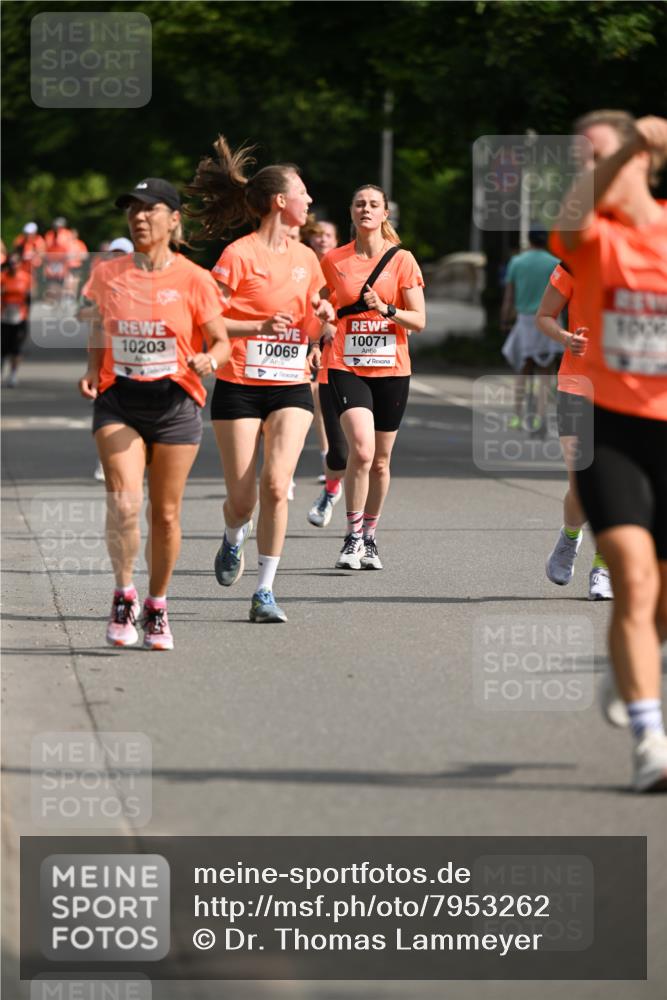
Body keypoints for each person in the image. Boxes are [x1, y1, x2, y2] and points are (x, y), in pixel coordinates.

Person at [552, 111, 667, 792]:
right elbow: (568, 221)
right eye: (581, 160)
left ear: (643, 163)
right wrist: (613, 149)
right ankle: (650, 740)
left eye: (598, 157)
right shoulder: (589, 238)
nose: (587, 170)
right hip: (609, 427)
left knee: (658, 597)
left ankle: (632, 667)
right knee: (630, 574)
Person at [78, 177, 231, 650]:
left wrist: (211, 359)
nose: (139, 217)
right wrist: (91, 370)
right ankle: (123, 594)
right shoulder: (108, 274)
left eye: (149, 209)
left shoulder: (194, 279)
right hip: (119, 399)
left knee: (165, 515)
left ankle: (157, 605)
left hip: (175, 405)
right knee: (124, 502)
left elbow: (222, 340)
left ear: (173, 219)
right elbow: (100, 326)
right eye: (132, 210)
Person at [186, 136, 334, 623]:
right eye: (303, 192)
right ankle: (233, 536)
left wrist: (323, 322)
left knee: (277, 486)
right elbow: (206, 320)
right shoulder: (238, 255)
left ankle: (265, 591)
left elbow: (313, 322)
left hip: (290, 383)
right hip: (239, 384)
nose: (309, 200)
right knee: (244, 497)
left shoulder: (308, 259)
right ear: (280, 202)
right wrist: (256, 327)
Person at [321, 184, 425, 570]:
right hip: (346, 364)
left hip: (392, 368)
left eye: (374, 204)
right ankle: (351, 538)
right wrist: (320, 318)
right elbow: (318, 301)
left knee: (381, 461)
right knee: (361, 450)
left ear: (385, 214)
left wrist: (387, 308)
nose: (366, 209)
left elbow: (419, 319)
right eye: (360, 203)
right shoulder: (333, 259)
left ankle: (370, 536)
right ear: (352, 212)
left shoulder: (403, 260)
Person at [536, 263, 613, 600]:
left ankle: (603, 566)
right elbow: (544, 315)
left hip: (631, 391)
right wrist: (566, 338)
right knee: (583, 482)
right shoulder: (576, 260)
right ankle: (570, 537)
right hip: (577, 386)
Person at [304, 220, 349, 528]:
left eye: (328, 235)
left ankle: (359, 530)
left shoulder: (342, 265)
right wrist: (315, 340)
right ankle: (285, 475)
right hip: (310, 349)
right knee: (313, 403)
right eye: (317, 234)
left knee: (367, 449)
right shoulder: (303, 262)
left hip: (354, 356)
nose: (322, 239)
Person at [500, 228, 562, 436]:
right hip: (549, 320)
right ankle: (540, 417)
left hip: (525, 322)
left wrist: (505, 318)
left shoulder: (517, 262)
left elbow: (509, 296)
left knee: (523, 371)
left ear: (529, 239)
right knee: (546, 373)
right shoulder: (554, 263)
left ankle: (518, 416)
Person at [1, 251, 31, 387]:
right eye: (11, 263)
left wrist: (26, 315)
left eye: (16, 263)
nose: (13, 266)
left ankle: (13, 374)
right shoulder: (2, 278)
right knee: (2, 348)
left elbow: (29, 297)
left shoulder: (25, 278)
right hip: (4, 317)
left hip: (20, 317)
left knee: (16, 348)